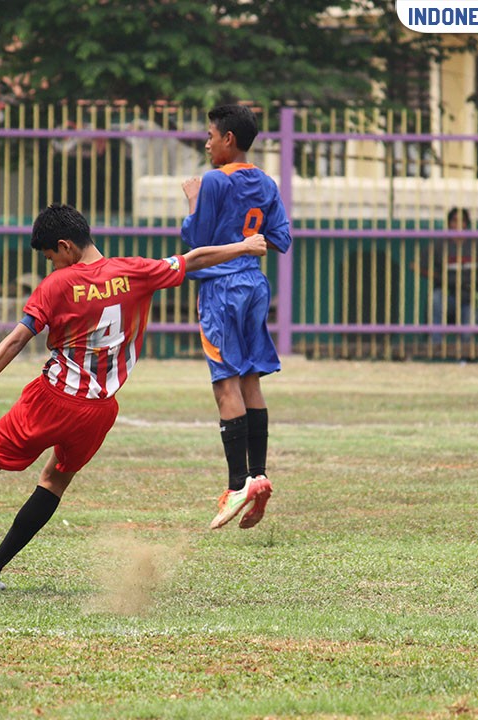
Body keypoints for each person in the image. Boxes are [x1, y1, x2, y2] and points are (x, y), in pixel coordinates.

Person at [0, 203, 267, 590]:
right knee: (53, 482)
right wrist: (245, 246)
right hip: (99, 411)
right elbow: (195, 258)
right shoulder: (135, 272)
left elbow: (18, 338)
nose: (52, 266)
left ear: (66, 246)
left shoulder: (57, 285)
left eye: (51, 257)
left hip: (52, 397)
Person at [180, 104, 292, 531]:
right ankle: (258, 475)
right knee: (250, 380)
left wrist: (193, 202)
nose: (206, 142)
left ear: (229, 138)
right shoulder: (265, 181)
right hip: (254, 286)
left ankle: (235, 484)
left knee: (225, 382)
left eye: (210, 135)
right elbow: (279, 238)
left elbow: (197, 242)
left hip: (221, 289)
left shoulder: (212, 181)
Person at [415, 207, 478, 345]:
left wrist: (471, 279)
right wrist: (439, 277)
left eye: (462, 221)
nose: (458, 225)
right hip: (447, 293)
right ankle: (436, 345)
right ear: (448, 223)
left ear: (467, 224)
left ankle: (465, 353)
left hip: (470, 293)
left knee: (472, 317)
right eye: (454, 221)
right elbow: (416, 265)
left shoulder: (477, 245)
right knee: (436, 298)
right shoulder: (439, 244)